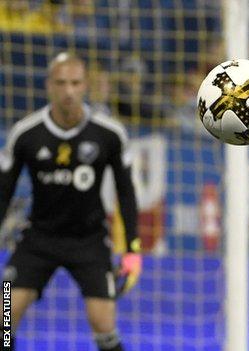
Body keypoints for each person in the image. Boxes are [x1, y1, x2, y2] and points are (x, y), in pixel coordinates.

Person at [0, 52, 141, 351]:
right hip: (37, 239)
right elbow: (4, 191)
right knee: (3, 321)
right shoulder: (25, 134)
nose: (69, 91)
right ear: (49, 85)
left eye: (75, 83)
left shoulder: (109, 134)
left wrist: (132, 250)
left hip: (89, 240)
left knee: (104, 327)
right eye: (61, 83)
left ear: (86, 85)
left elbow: (126, 192)